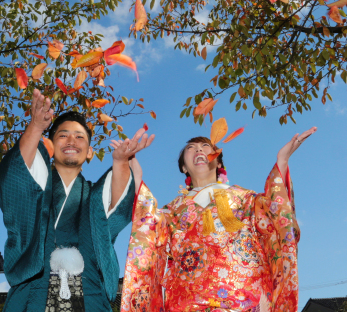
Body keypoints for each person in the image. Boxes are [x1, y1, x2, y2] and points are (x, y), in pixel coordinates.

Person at [116, 127, 315, 312]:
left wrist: (282, 161)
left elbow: (276, 214)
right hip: (189, 303)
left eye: (205, 147)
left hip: (247, 299)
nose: (198, 150)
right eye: (191, 148)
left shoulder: (245, 198)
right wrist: (136, 174)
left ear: (218, 162)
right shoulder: (172, 211)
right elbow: (147, 225)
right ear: (184, 168)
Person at [0, 89, 154, 312]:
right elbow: (15, 177)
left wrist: (120, 162)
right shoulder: (37, 184)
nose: (71, 141)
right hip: (34, 291)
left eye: (80, 137)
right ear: (51, 145)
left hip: (88, 294)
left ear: (89, 152)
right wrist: (37, 127)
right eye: (62, 135)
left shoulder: (95, 195)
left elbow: (116, 204)